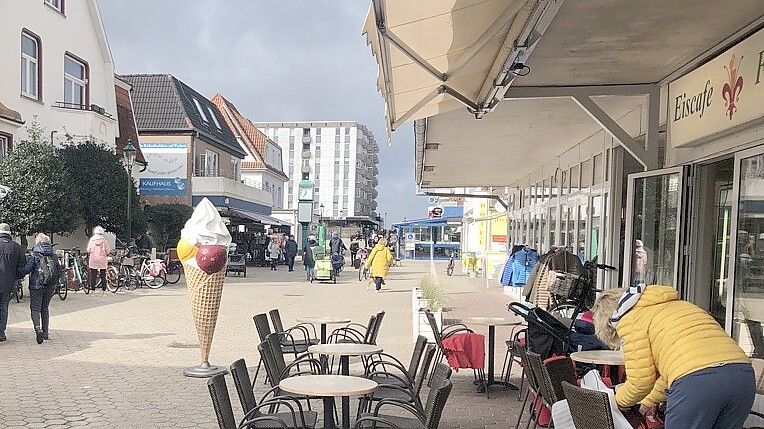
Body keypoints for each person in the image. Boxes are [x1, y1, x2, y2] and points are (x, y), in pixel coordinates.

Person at [591, 285, 754, 428]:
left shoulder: (629, 320)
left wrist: (616, 403)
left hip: (697, 383)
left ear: (609, 325)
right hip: (742, 377)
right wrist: (646, 402)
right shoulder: (678, 306)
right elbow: (672, 373)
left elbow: (640, 383)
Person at [18, 233, 61, 344]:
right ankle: (46, 333)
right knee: (45, 307)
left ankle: (38, 329)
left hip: (36, 285)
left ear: (37, 242)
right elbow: (59, 271)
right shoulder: (53, 254)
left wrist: (17, 273)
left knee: (35, 308)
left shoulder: (34, 254)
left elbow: (27, 269)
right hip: (50, 285)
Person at [0, 223, 25, 342]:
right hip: (8, 284)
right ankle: (1, 333)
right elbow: (22, 267)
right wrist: (17, 277)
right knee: (4, 307)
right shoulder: (16, 247)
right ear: (9, 233)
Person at [87, 226, 112, 294]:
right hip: (102, 259)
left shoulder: (92, 240)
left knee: (93, 275)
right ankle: (104, 289)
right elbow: (108, 251)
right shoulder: (104, 240)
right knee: (103, 274)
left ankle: (93, 290)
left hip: (93, 259)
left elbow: (88, 249)